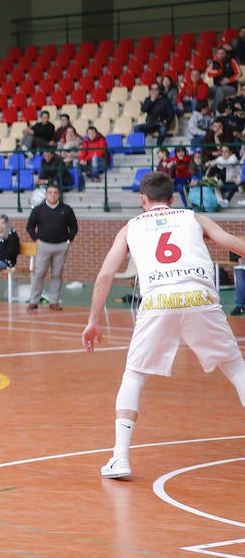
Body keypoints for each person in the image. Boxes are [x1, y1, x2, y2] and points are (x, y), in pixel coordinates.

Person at [82, 171, 245, 479]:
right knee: (237, 369)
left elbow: (105, 275)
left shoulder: (131, 226)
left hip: (158, 301)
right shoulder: (192, 217)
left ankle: (120, 457)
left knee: (134, 376)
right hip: (199, 295)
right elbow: (232, 243)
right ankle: (118, 458)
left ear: (142, 200)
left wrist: (92, 321)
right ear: (173, 199)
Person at [26, 183, 78, 310]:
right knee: (39, 273)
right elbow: (30, 226)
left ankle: (54, 302)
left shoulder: (66, 209)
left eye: (55, 192)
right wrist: (36, 239)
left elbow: (74, 227)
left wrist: (69, 240)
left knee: (56, 274)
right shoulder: (38, 209)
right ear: (46, 194)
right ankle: (34, 301)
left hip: (61, 246)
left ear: (59, 194)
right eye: (50, 192)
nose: (52, 195)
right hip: (44, 246)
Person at [206, 45, 241, 112]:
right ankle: (201, 110)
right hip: (217, 87)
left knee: (220, 91)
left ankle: (213, 111)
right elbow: (209, 73)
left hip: (231, 87)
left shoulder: (231, 61)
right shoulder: (214, 63)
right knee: (205, 90)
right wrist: (220, 71)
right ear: (216, 54)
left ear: (226, 54)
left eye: (222, 53)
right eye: (218, 53)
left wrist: (228, 80)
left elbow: (239, 74)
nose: (220, 55)